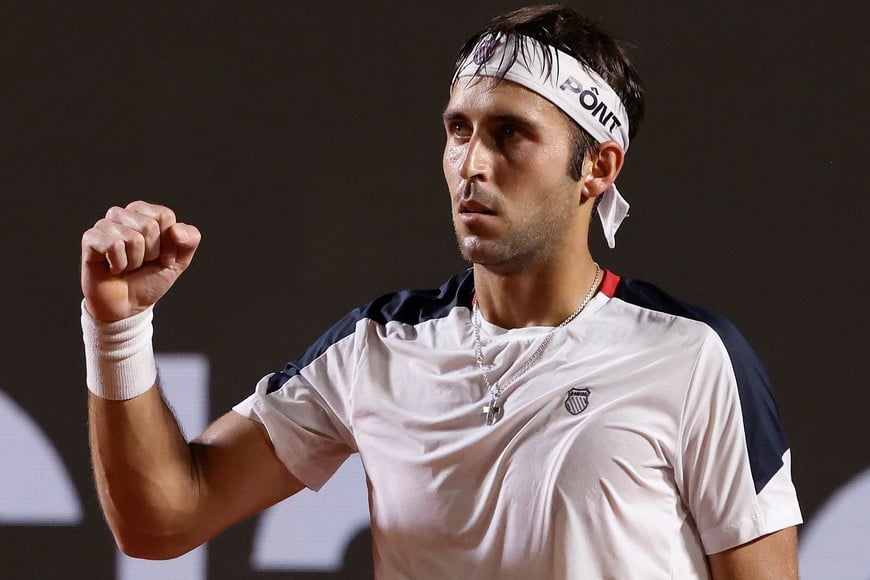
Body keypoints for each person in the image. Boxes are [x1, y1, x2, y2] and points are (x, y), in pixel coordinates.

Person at [81, 5, 802, 578]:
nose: (471, 165)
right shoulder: (375, 348)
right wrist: (118, 327)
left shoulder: (694, 358)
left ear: (598, 167)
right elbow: (163, 519)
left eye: (511, 134)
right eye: (459, 130)